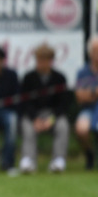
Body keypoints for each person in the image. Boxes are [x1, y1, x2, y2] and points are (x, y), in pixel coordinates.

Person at [19, 43, 70, 173]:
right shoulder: (28, 78)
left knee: (62, 126)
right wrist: (35, 119)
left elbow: (63, 104)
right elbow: (25, 102)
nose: (40, 63)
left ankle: (58, 161)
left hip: (53, 115)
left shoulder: (60, 78)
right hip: (34, 115)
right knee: (27, 127)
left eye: (43, 60)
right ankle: (28, 161)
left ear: (50, 61)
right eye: (38, 60)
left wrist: (51, 120)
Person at [73, 36, 98, 170]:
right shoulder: (83, 72)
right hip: (88, 109)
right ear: (90, 52)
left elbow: (85, 94)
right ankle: (89, 155)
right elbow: (80, 96)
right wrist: (95, 92)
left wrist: (89, 93)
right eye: (95, 51)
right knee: (81, 129)